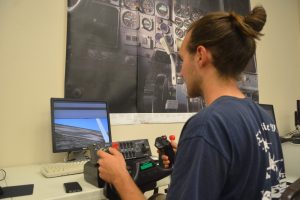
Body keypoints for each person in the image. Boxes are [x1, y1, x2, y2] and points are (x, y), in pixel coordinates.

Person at [97, 5, 286, 200]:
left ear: (201, 56)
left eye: (182, 59)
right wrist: (194, 158)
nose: (181, 72)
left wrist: (119, 177)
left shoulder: (206, 126)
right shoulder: (264, 119)